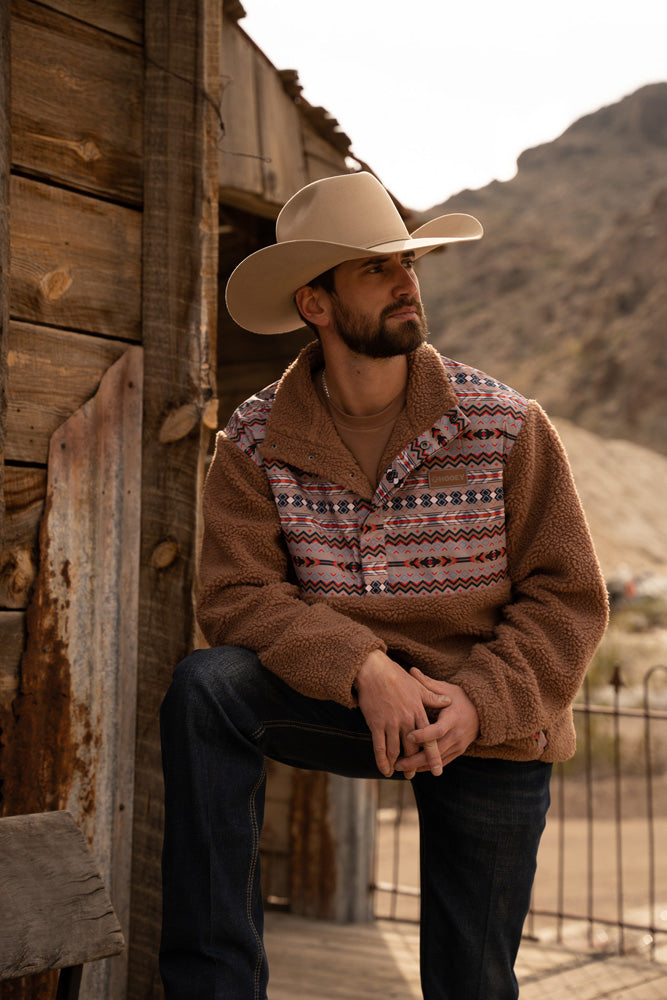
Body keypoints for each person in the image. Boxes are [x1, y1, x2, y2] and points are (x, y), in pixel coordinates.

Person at [159, 171, 608, 1000]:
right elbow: (233, 595)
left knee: (471, 983)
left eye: (408, 265)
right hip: (339, 700)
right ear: (315, 304)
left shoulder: (506, 424)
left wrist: (477, 700)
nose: (407, 283)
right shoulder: (253, 438)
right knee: (206, 690)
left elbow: (567, 596)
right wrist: (363, 668)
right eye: (376, 269)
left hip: (488, 715)